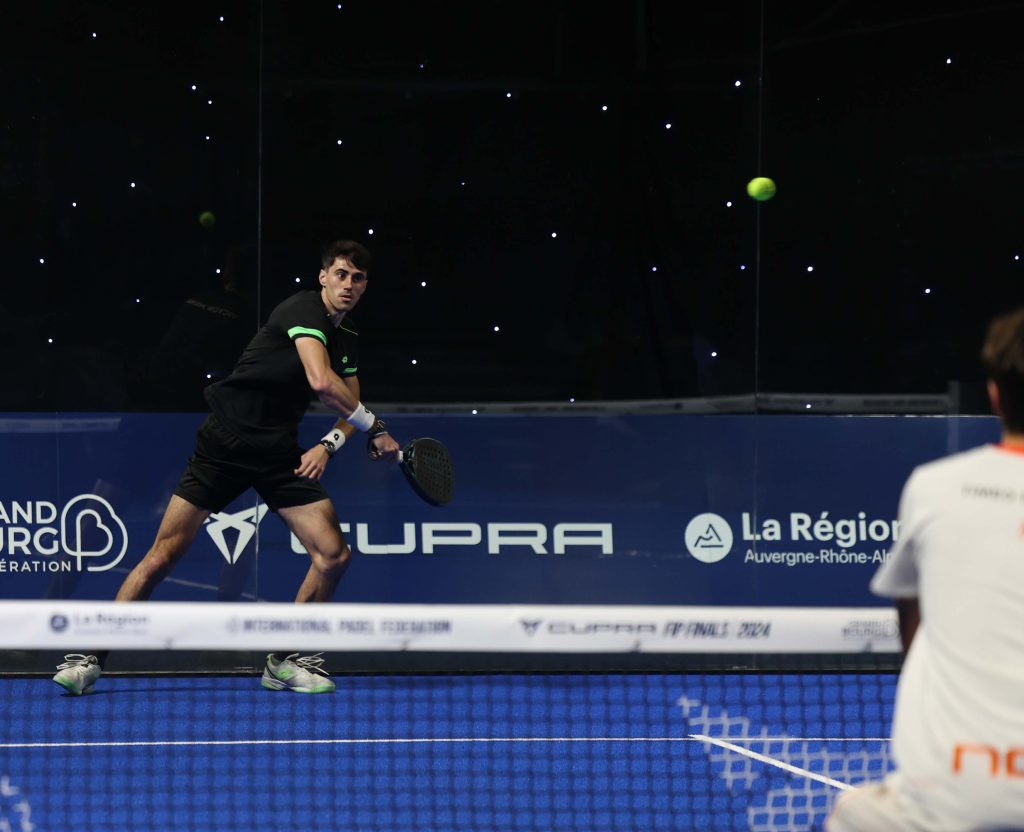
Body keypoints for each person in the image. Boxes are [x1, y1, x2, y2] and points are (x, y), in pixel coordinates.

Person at [52, 239, 400, 696]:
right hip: (226, 443)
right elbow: (321, 382)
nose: (348, 284)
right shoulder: (303, 310)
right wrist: (376, 426)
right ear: (323, 277)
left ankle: (284, 661)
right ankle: (91, 658)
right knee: (162, 555)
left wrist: (329, 444)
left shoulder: (347, 334)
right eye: (340, 274)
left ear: (365, 285)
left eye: (358, 278)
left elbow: (350, 400)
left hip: (278, 454)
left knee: (334, 555)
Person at [826, 306, 1024, 830]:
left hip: (949, 797)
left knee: (850, 815)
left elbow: (912, 627)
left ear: (995, 395)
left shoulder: (932, 487)